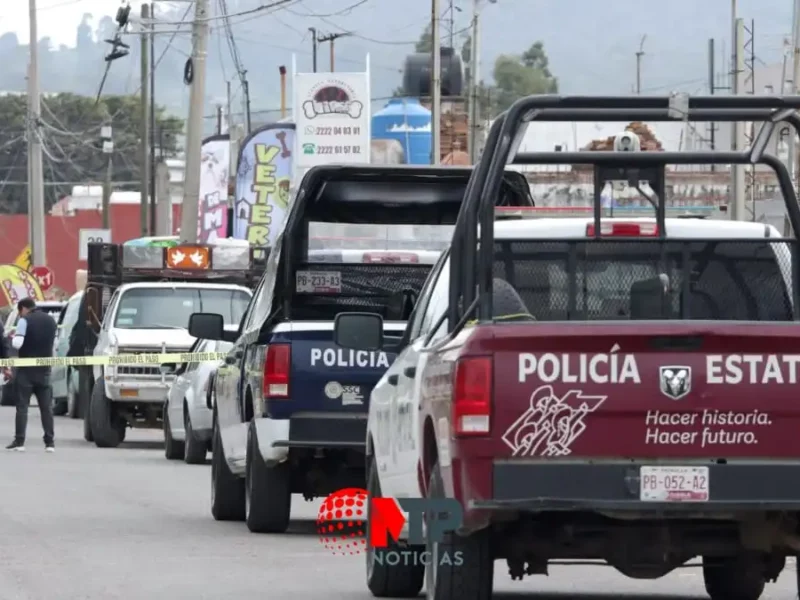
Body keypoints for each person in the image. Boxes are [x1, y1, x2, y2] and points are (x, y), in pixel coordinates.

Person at [6, 298, 57, 452]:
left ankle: (20, 442)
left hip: (26, 370)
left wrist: (13, 337)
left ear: (23, 309)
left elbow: (18, 344)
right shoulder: (51, 321)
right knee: (46, 408)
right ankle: (49, 443)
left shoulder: (24, 321)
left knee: (22, 407)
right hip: (44, 369)